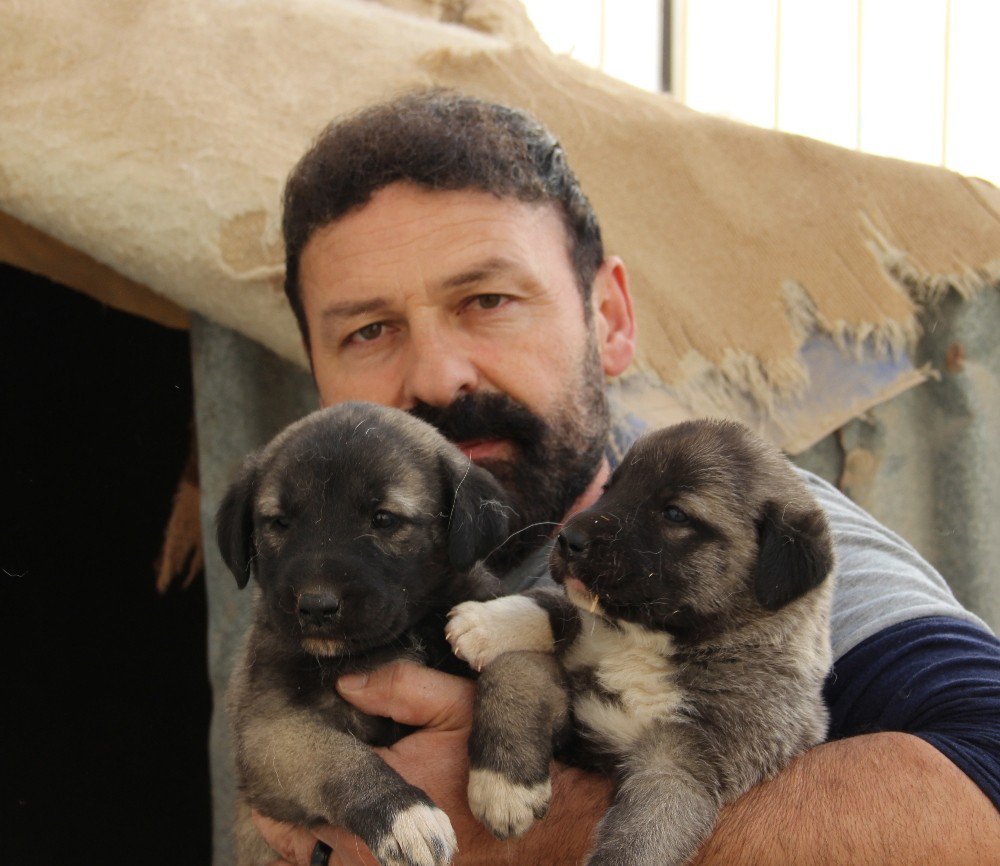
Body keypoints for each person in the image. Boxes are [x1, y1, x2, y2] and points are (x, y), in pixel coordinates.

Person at [253, 90, 1000, 865]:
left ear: (608, 319)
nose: (441, 377)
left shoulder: (747, 548)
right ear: (315, 369)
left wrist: (556, 828)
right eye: (369, 331)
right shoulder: (304, 573)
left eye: (488, 300)